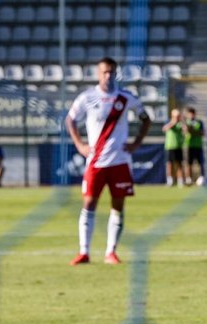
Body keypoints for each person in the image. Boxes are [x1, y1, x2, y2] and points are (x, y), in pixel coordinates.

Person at [65, 56, 151, 265]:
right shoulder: (88, 97)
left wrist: (136, 143)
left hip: (120, 161)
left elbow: (146, 118)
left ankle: (111, 252)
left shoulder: (125, 97)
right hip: (95, 162)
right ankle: (84, 251)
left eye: (111, 72)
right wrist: (79, 145)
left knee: (118, 206)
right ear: (98, 74)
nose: (108, 76)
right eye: (104, 72)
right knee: (88, 203)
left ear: (116, 73)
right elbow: (70, 119)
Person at [163, 108, 187, 187]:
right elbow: (165, 129)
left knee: (179, 164)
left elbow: (185, 130)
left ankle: (180, 181)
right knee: (169, 164)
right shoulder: (169, 122)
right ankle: (170, 181)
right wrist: (173, 122)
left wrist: (182, 123)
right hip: (170, 146)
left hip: (178, 146)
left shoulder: (180, 123)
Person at [184, 107, 206, 185]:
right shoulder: (186, 122)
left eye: (192, 113)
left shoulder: (199, 122)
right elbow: (185, 132)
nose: (191, 115)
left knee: (201, 163)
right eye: (190, 114)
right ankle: (189, 179)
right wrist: (194, 131)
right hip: (189, 145)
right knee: (188, 163)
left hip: (198, 145)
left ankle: (202, 178)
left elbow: (202, 133)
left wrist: (193, 131)